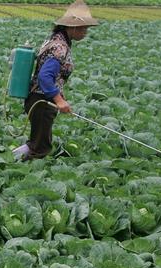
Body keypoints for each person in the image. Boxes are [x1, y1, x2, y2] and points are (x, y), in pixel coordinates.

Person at [13, 0, 99, 161]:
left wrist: (60, 97)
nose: (85, 32)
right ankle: (24, 174)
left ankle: (10, 160)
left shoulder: (55, 40)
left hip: (38, 100)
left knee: (37, 142)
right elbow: (45, 77)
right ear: (72, 27)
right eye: (84, 28)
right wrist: (58, 100)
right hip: (42, 102)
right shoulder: (60, 47)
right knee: (41, 148)